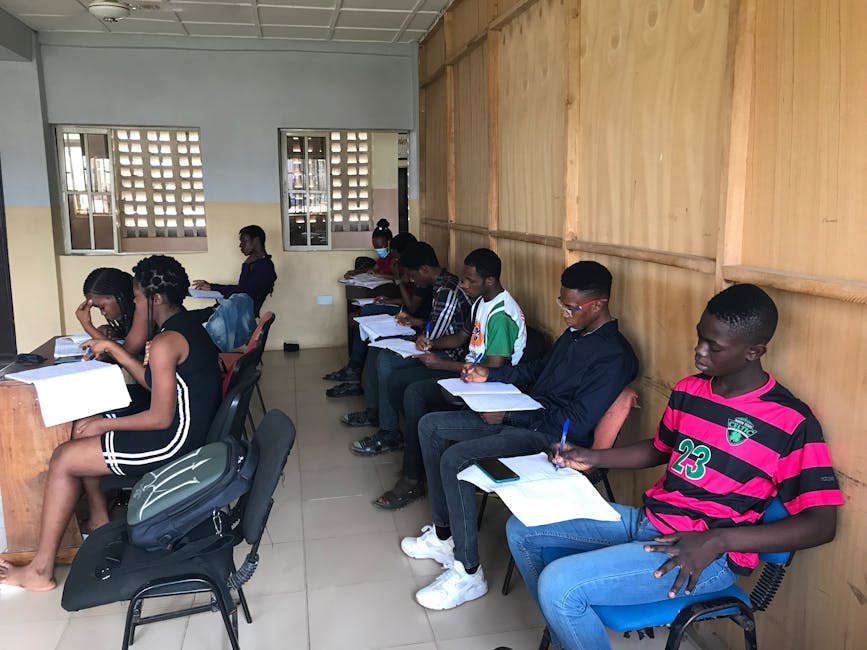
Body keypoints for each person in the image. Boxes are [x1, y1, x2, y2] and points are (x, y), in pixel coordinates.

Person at [506, 284, 843, 650]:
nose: (699, 351)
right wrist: (592, 456)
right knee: (522, 527)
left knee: (560, 584)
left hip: (706, 554)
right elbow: (660, 449)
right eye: (700, 338)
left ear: (754, 351)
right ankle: (568, 635)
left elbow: (821, 524)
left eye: (714, 346)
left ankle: (567, 619)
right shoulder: (689, 390)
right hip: (650, 521)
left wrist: (719, 540)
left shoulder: (791, 421)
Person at [401, 260, 638, 610]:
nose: (564, 314)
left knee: (455, 458)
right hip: (525, 414)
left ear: (599, 304)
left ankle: (468, 574)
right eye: (562, 304)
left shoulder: (614, 356)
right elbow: (538, 369)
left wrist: (510, 414)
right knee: (431, 425)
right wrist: (490, 377)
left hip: (553, 439)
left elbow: (576, 421)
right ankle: (443, 535)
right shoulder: (576, 334)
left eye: (570, 307)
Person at [0, 255, 222, 592]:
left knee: (64, 457)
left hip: (174, 441)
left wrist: (106, 428)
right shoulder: (182, 328)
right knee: (81, 428)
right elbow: (154, 384)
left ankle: (40, 570)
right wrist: (113, 350)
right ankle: (98, 517)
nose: (133, 303)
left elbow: (160, 416)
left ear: (156, 299)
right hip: (186, 429)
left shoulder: (165, 342)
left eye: (136, 297)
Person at [370, 248, 527, 510]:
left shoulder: (500, 314)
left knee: (414, 393)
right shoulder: (481, 301)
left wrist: (444, 363)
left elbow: (492, 369)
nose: (464, 285)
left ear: (490, 280)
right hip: (469, 373)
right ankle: (416, 450)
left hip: (490, 387)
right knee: (401, 383)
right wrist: (432, 344)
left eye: (470, 281)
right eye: (464, 280)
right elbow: (461, 337)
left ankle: (412, 476)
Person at [341, 242, 471, 445]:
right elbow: (440, 325)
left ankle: (389, 432)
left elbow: (432, 340)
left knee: (386, 359)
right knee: (378, 350)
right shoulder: (440, 285)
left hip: (448, 354)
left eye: (412, 275)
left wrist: (412, 337)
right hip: (436, 342)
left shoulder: (447, 291)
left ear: (425, 270)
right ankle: (374, 412)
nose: (411, 280)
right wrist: (415, 322)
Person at [323, 232, 428, 396]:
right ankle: (354, 367)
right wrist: (390, 300)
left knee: (365, 317)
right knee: (365, 313)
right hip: (403, 309)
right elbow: (406, 300)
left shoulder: (420, 275)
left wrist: (398, 279)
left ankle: (355, 369)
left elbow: (411, 306)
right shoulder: (408, 268)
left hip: (408, 316)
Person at [192, 224, 277, 314]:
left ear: (255, 241)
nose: (240, 245)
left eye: (244, 241)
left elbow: (242, 293)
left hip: (236, 315)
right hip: (233, 312)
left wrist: (246, 265)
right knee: (185, 319)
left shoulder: (264, 266)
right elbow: (242, 289)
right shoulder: (259, 263)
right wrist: (212, 287)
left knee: (184, 320)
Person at [76, 267, 148, 355]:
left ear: (119, 296)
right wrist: (114, 331)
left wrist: (87, 326)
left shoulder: (144, 312)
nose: (103, 313)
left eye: (102, 307)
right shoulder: (129, 315)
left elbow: (125, 355)